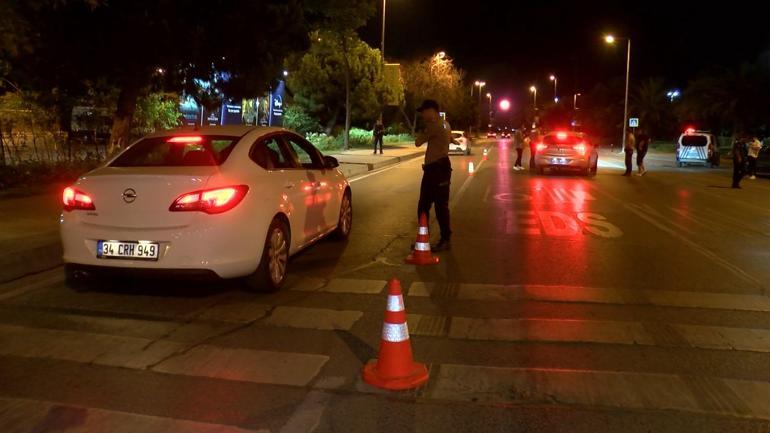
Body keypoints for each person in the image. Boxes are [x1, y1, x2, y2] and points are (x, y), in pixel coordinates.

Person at [415, 99, 452, 252]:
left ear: (431, 111)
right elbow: (448, 138)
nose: (422, 115)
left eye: (424, 111)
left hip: (437, 170)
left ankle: (444, 239)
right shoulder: (445, 124)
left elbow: (418, 142)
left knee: (431, 206)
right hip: (438, 168)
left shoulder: (435, 125)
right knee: (433, 205)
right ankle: (426, 239)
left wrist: (423, 133)